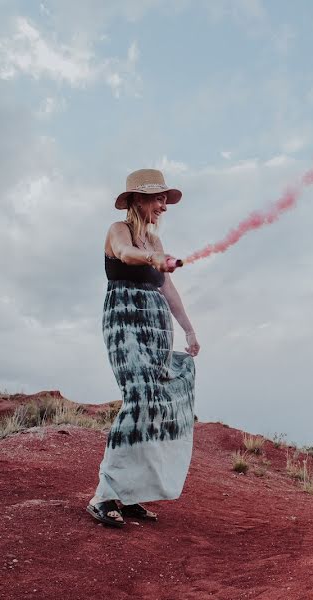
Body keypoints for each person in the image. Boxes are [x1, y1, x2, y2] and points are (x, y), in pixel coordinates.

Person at [87, 168, 201, 527]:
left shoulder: (156, 242)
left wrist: (189, 330)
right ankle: (104, 496)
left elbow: (168, 290)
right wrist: (150, 259)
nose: (163, 206)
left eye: (165, 199)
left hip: (156, 324)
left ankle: (131, 491)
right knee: (138, 397)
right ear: (137, 199)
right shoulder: (118, 231)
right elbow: (123, 253)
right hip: (124, 319)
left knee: (153, 403)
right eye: (157, 198)